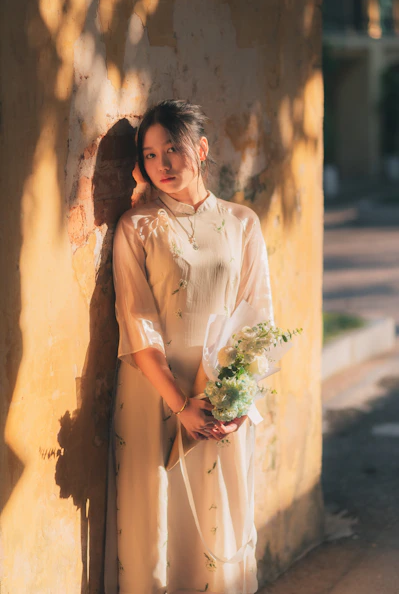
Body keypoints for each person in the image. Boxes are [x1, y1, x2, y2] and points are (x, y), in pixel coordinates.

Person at [104, 99, 274, 594]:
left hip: (222, 399)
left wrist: (237, 400)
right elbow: (137, 325)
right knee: (156, 522)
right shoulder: (137, 228)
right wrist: (181, 404)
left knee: (219, 519)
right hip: (154, 394)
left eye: (173, 149)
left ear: (200, 149)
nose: (164, 164)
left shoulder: (243, 223)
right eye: (151, 155)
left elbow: (257, 317)